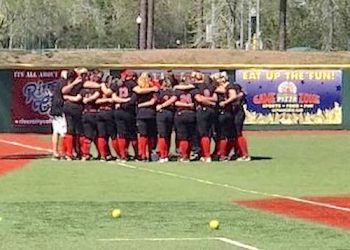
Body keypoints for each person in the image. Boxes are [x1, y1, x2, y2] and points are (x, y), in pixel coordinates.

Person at [134, 72, 158, 161]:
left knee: (144, 135)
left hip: (143, 113)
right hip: (150, 113)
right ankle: (148, 154)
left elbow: (153, 101)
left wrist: (140, 105)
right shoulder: (151, 88)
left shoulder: (141, 88)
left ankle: (144, 155)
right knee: (149, 135)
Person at [194, 73, 217, 162]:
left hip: (202, 111)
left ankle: (206, 155)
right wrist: (211, 103)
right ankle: (207, 154)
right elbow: (214, 99)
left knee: (203, 133)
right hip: (211, 110)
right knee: (209, 133)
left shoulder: (196, 87)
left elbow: (199, 99)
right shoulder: (212, 87)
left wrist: (205, 100)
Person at [174, 76, 198, 162]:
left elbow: (175, 101)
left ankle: (184, 156)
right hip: (191, 113)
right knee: (190, 136)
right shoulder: (193, 90)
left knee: (183, 137)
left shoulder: (177, 91)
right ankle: (188, 154)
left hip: (181, 114)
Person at [156, 77, 177, 163]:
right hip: (170, 112)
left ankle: (163, 155)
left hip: (162, 113)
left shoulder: (159, 92)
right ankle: (166, 154)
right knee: (167, 134)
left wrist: (162, 105)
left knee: (162, 135)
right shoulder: (172, 91)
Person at [49, 70, 68, 160]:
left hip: (54, 109)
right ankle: (64, 152)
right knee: (64, 132)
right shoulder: (63, 83)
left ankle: (55, 152)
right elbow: (64, 94)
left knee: (56, 131)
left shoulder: (58, 82)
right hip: (60, 109)